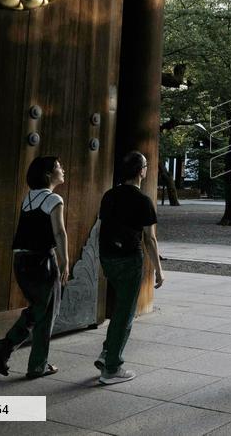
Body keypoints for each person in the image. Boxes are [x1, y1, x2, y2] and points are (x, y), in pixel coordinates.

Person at [0, 156, 69, 379]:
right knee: (47, 311)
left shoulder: (29, 199)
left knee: (38, 309)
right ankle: (31, 362)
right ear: (48, 174)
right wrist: (65, 261)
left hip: (21, 261)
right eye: (58, 167)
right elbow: (59, 232)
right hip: (42, 261)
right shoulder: (54, 199)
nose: (62, 169)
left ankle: (8, 349)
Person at [96, 151, 164, 384]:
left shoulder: (109, 195)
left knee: (120, 309)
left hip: (107, 257)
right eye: (145, 165)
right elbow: (150, 239)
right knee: (125, 313)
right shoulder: (143, 200)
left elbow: (105, 225)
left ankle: (107, 352)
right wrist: (158, 269)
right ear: (141, 170)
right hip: (128, 259)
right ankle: (112, 367)